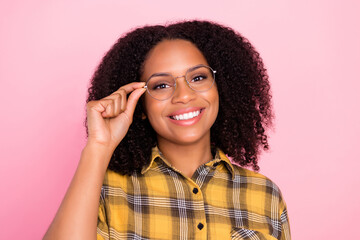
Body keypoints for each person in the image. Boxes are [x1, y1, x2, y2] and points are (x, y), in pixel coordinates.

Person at [44, 20, 291, 239]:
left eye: (198, 78)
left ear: (221, 88)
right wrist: (99, 146)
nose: (183, 96)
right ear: (140, 104)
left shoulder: (266, 195)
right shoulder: (105, 190)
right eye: (161, 85)